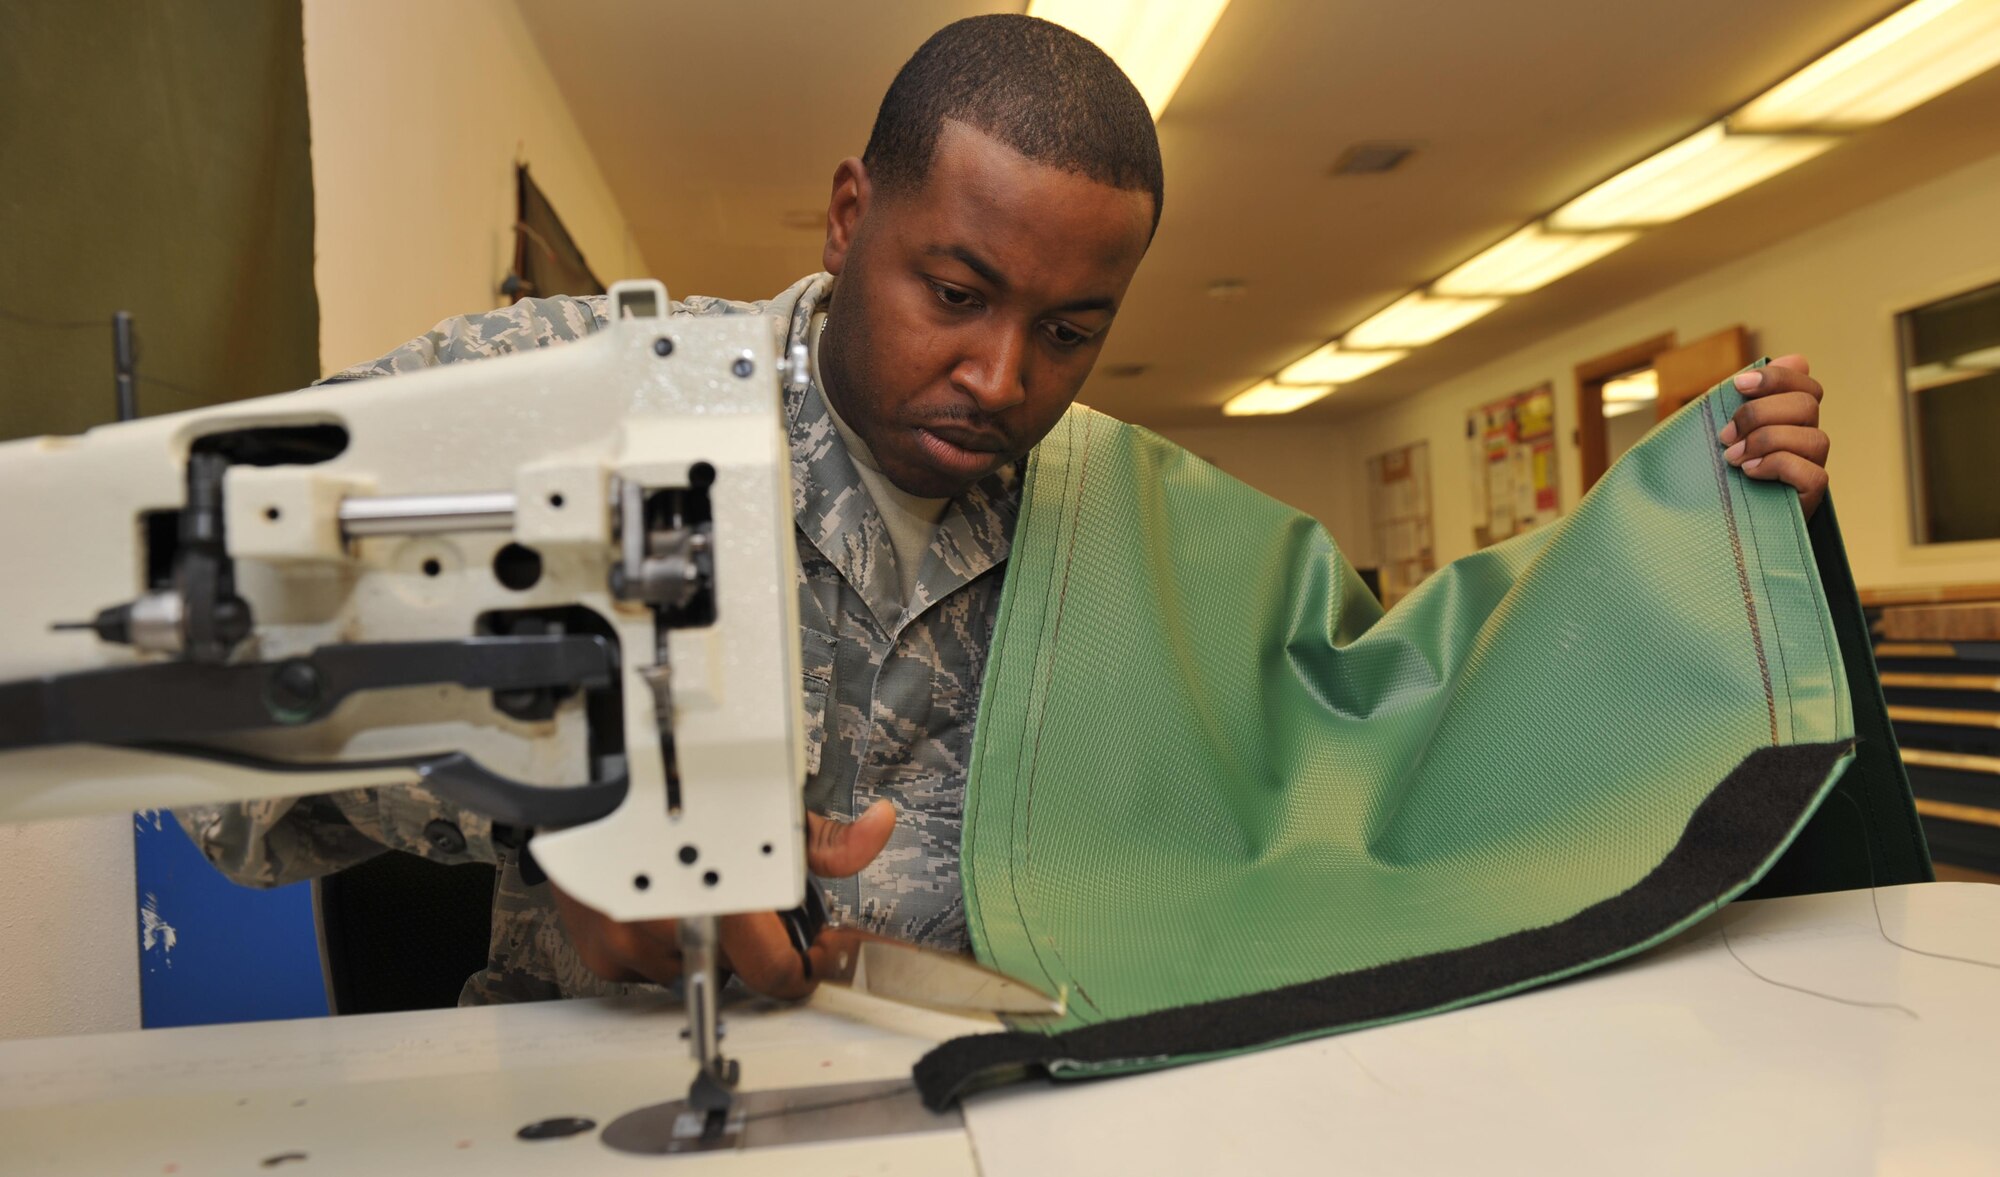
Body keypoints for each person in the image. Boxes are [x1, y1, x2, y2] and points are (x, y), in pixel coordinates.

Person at [180, 14, 1833, 1005]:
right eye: (955, 290)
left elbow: (1409, 718)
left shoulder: (1148, 531)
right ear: (850, 215)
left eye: (1069, 329)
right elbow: (209, 663)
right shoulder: (595, 396)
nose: (998, 376)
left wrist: (1701, 521)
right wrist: (567, 801)